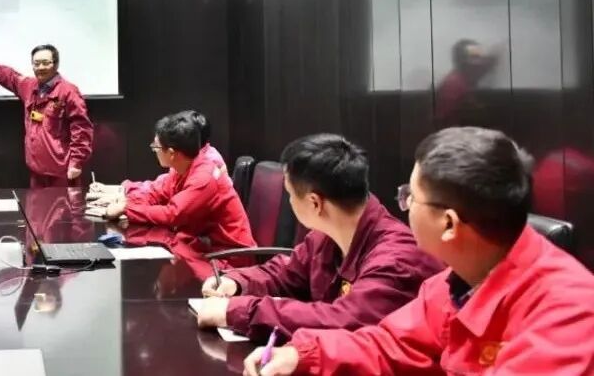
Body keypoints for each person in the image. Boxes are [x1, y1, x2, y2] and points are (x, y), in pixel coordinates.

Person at [245, 127, 594, 376]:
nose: (404, 205)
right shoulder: (453, 284)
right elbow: (388, 344)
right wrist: (303, 355)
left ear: (449, 224)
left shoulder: (569, 313)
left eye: (411, 196)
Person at [194, 134, 442, 343]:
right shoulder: (325, 236)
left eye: (290, 195)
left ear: (315, 203)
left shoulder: (396, 260)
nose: (290, 202)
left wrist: (238, 312)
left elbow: (343, 322)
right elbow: (285, 273)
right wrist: (237, 282)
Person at [101, 112, 255, 251]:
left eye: (156, 147)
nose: (154, 150)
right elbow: (157, 193)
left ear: (172, 153)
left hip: (226, 257)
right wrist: (126, 201)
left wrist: (127, 209)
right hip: (201, 246)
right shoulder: (181, 168)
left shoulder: (204, 177)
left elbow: (173, 214)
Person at [0, 44, 94, 187]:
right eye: (36, 63)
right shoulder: (29, 86)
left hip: (61, 172)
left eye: (45, 63)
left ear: (56, 64)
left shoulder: (68, 91)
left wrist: (76, 162)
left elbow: (82, 129)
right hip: (36, 171)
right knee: (36, 202)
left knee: (64, 202)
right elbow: (9, 76)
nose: (40, 67)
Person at [90, 110, 229, 204]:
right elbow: (158, 189)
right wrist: (120, 191)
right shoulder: (187, 159)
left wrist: (125, 207)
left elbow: (175, 212)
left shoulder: (208, 164)